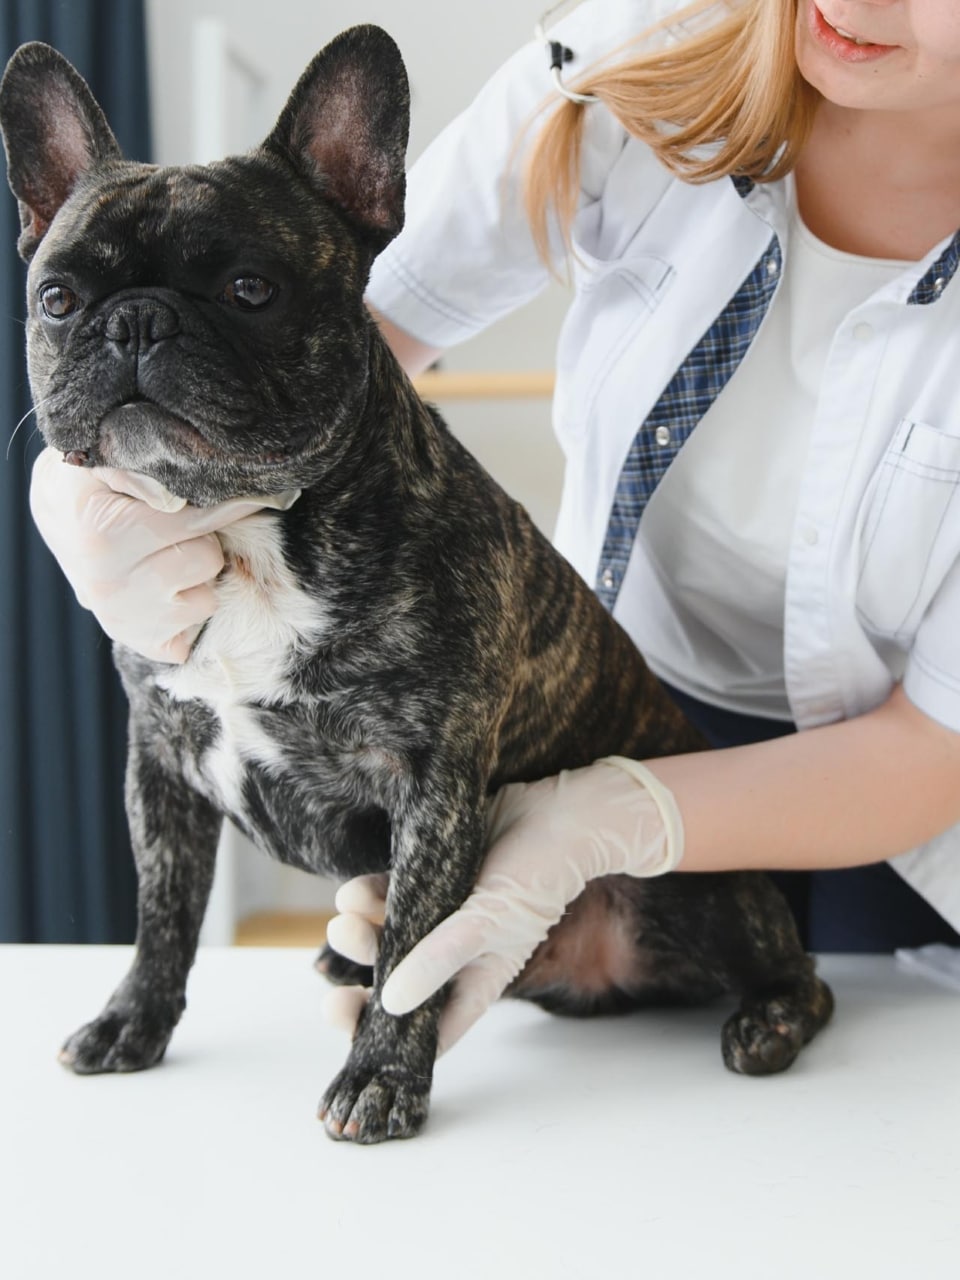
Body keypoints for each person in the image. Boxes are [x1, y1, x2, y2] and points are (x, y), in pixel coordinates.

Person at [30, 0, 960, 1053]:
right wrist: (88, 485)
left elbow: (935, 742)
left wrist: (613, 818)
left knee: (874, 1071)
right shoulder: (638, 56)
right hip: (620, 691)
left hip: (897, 789)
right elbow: (342, 323)